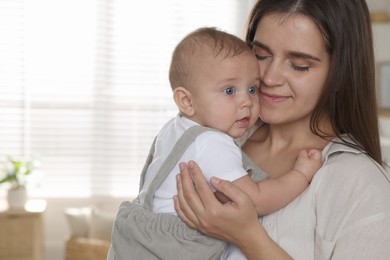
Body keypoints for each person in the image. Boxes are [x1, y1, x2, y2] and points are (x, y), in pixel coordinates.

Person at [174, 0, 390, 259]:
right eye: (261, 55)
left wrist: (248, 237)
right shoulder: (210, 135)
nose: (269, 78)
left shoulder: (361, 184)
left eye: (299, 65)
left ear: (340, 74)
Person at [108, 27, 322, 259]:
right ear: (186, 101)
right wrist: (300, 174)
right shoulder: (214, 143)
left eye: (252, 89)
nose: (246, 102)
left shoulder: (174, 129)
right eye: (229, 90)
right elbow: (255, 200)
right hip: (177, 247)